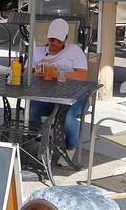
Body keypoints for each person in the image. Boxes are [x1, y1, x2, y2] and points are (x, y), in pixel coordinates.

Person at [27, 18, 89, 157]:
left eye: (58, 41)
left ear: (65, 39)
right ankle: (42, 142)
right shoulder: (38, 51)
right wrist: (35, 72)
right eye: (51, 39)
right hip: (46, 94)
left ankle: (70, 147)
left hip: (74, 95)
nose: (54, 43)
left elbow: (82, 76)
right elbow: (26, 72)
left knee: (67, 116)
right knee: (32, 110)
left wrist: (58, 73)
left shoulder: (74, 50)